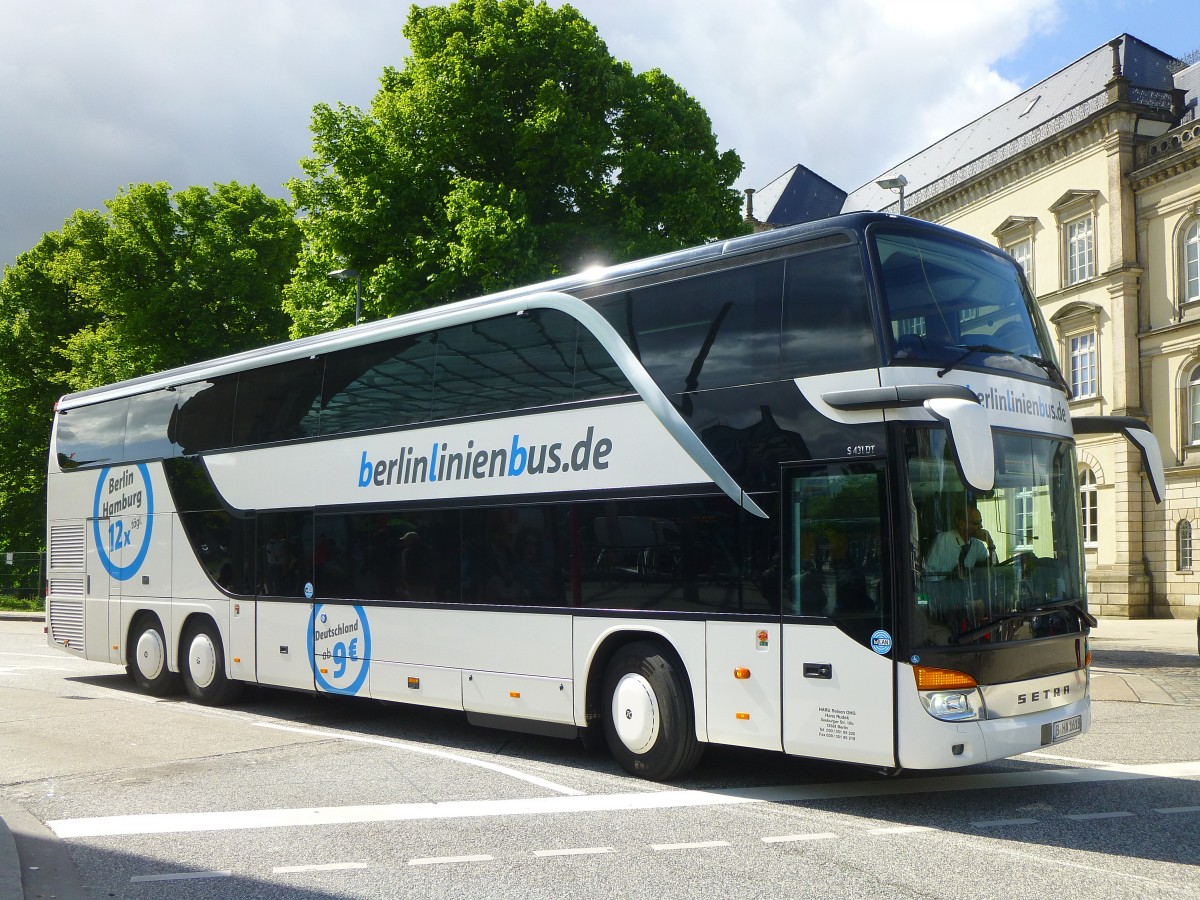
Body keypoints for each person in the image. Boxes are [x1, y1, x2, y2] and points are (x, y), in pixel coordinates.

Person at [925, 504, 996, 579]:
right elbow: (928, 573)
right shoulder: (943, 541)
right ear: (962, 524)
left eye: (980, 522)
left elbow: (994, 565)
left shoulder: (977, 545)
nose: (980, 526)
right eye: (976, 523)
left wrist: (991, 544)